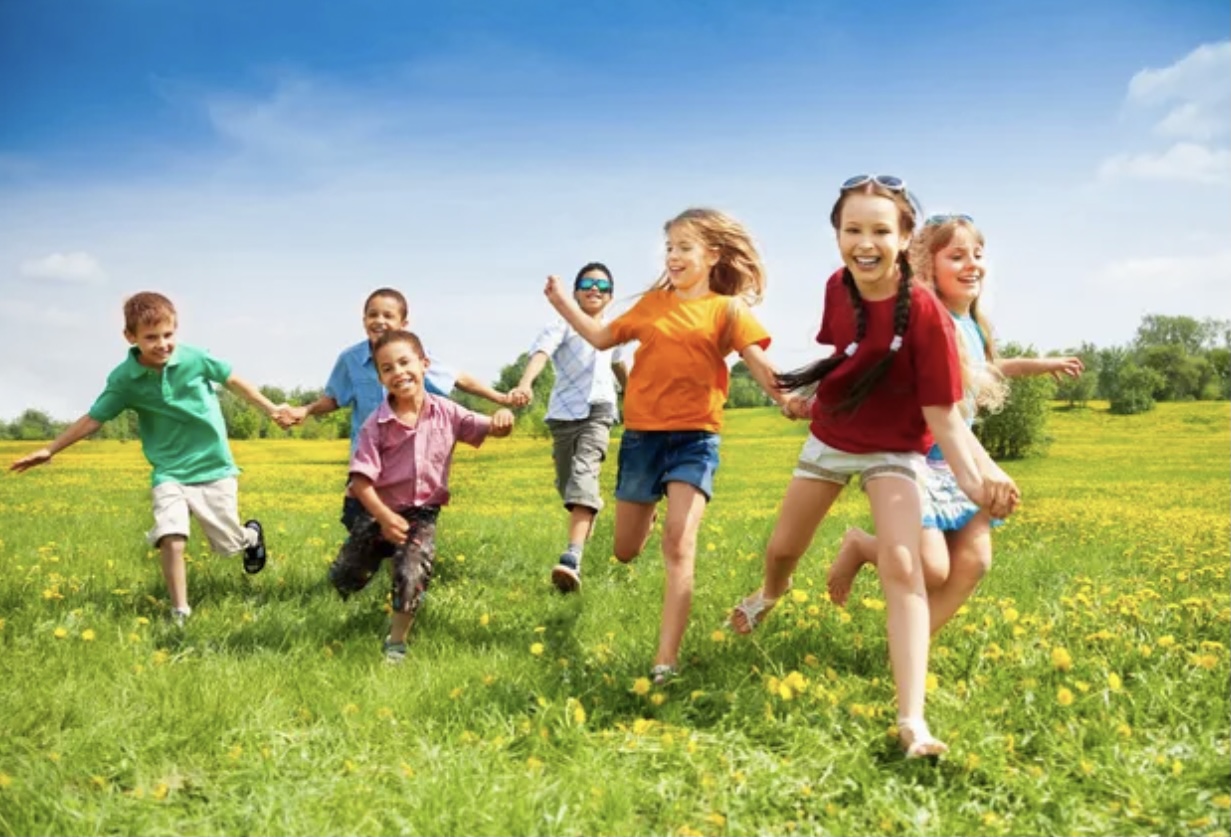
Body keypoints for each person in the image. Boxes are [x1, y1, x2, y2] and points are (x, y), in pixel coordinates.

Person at [725, 177, 1019, 758]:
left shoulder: (930, 316)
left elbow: (945, 418)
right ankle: (768, 594)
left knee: (906, 566)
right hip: (833, 435)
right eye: (852, 229)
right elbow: (847, 351)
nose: (866, 242)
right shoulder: (838, 286)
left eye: (881, 230)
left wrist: (979, 480)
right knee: (784, 546)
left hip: (895, 450)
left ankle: (913, 721)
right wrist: (806, 394)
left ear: (905, 238)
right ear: (836, 234)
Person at [544, 208, 797, 684]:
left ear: (713, 254)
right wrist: (562, 302)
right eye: (670, 248)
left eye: (684, 247)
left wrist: (787, 399)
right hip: (642, 438)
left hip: (696, 439)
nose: (674, 256)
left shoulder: (727, 310)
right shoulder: (653, 304)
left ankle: (665, 662)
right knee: (623, 551)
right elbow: (600, 337)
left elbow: (758, 362)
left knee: (680, 545)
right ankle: (651, 506)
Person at [826, 213, 1084, 634]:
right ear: (928, 266)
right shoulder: (930, 322)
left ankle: (909, 650)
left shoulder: (973, 327)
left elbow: (988, 366)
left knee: (975, 560)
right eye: (957, 256)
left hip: (958, 457)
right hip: (920, 459)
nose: (972, 264)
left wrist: (1042, 364)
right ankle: (860, 545)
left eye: (977, 255)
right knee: (930, 568)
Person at [9, 291, 279, 625]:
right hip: (169, 472)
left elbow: (233, 380)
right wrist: (50, 448)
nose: (162, 344)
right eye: (151, 337)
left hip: (213, 466)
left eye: (168, 335)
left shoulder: (195, 359)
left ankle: (250, 536)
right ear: (131, 337)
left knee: (228, 545)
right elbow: (94, 418)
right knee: (172, 535)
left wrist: (271, 409)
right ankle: (180, 612)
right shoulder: (125, 379)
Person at [325, 329, 515, 662]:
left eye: (404, 362)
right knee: (348, 574)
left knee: (412, 570)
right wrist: (384, 518)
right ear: (381, 378)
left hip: (422, 514)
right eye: (387, 368)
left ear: (424, 364)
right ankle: (340, 594)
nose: (398, 372)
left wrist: (503, 421)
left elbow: (489, 427)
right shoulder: (376, 424)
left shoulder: (448, 412)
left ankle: (396, 643)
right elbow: (359, 481)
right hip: (378, 511)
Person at [277, 288, 524, 531]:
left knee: (408, 528)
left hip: (407, 464)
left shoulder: (412, 356)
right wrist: (306, 410)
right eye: (373, 315)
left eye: (388, 316)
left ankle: (401, 559)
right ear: (364, 320)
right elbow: (334, 398)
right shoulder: (350, 359)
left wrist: (499, 397)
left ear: (403, 323)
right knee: (358, 523)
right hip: (370, 461)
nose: (379, 321)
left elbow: (457, 378)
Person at [510, 262, 628, 593]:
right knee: (568, 485)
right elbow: (541, 354)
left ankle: (571, 557)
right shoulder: (561, 324)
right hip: (564, 414)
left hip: (600, 409)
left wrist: (633, 395)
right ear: (575, 293)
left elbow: (618, 363)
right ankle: (586, 510)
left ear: (610, 297)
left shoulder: (613, 329)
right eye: (588, 283)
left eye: (603, 286)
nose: (595, 289)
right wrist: (525, 384)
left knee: (584, 474)